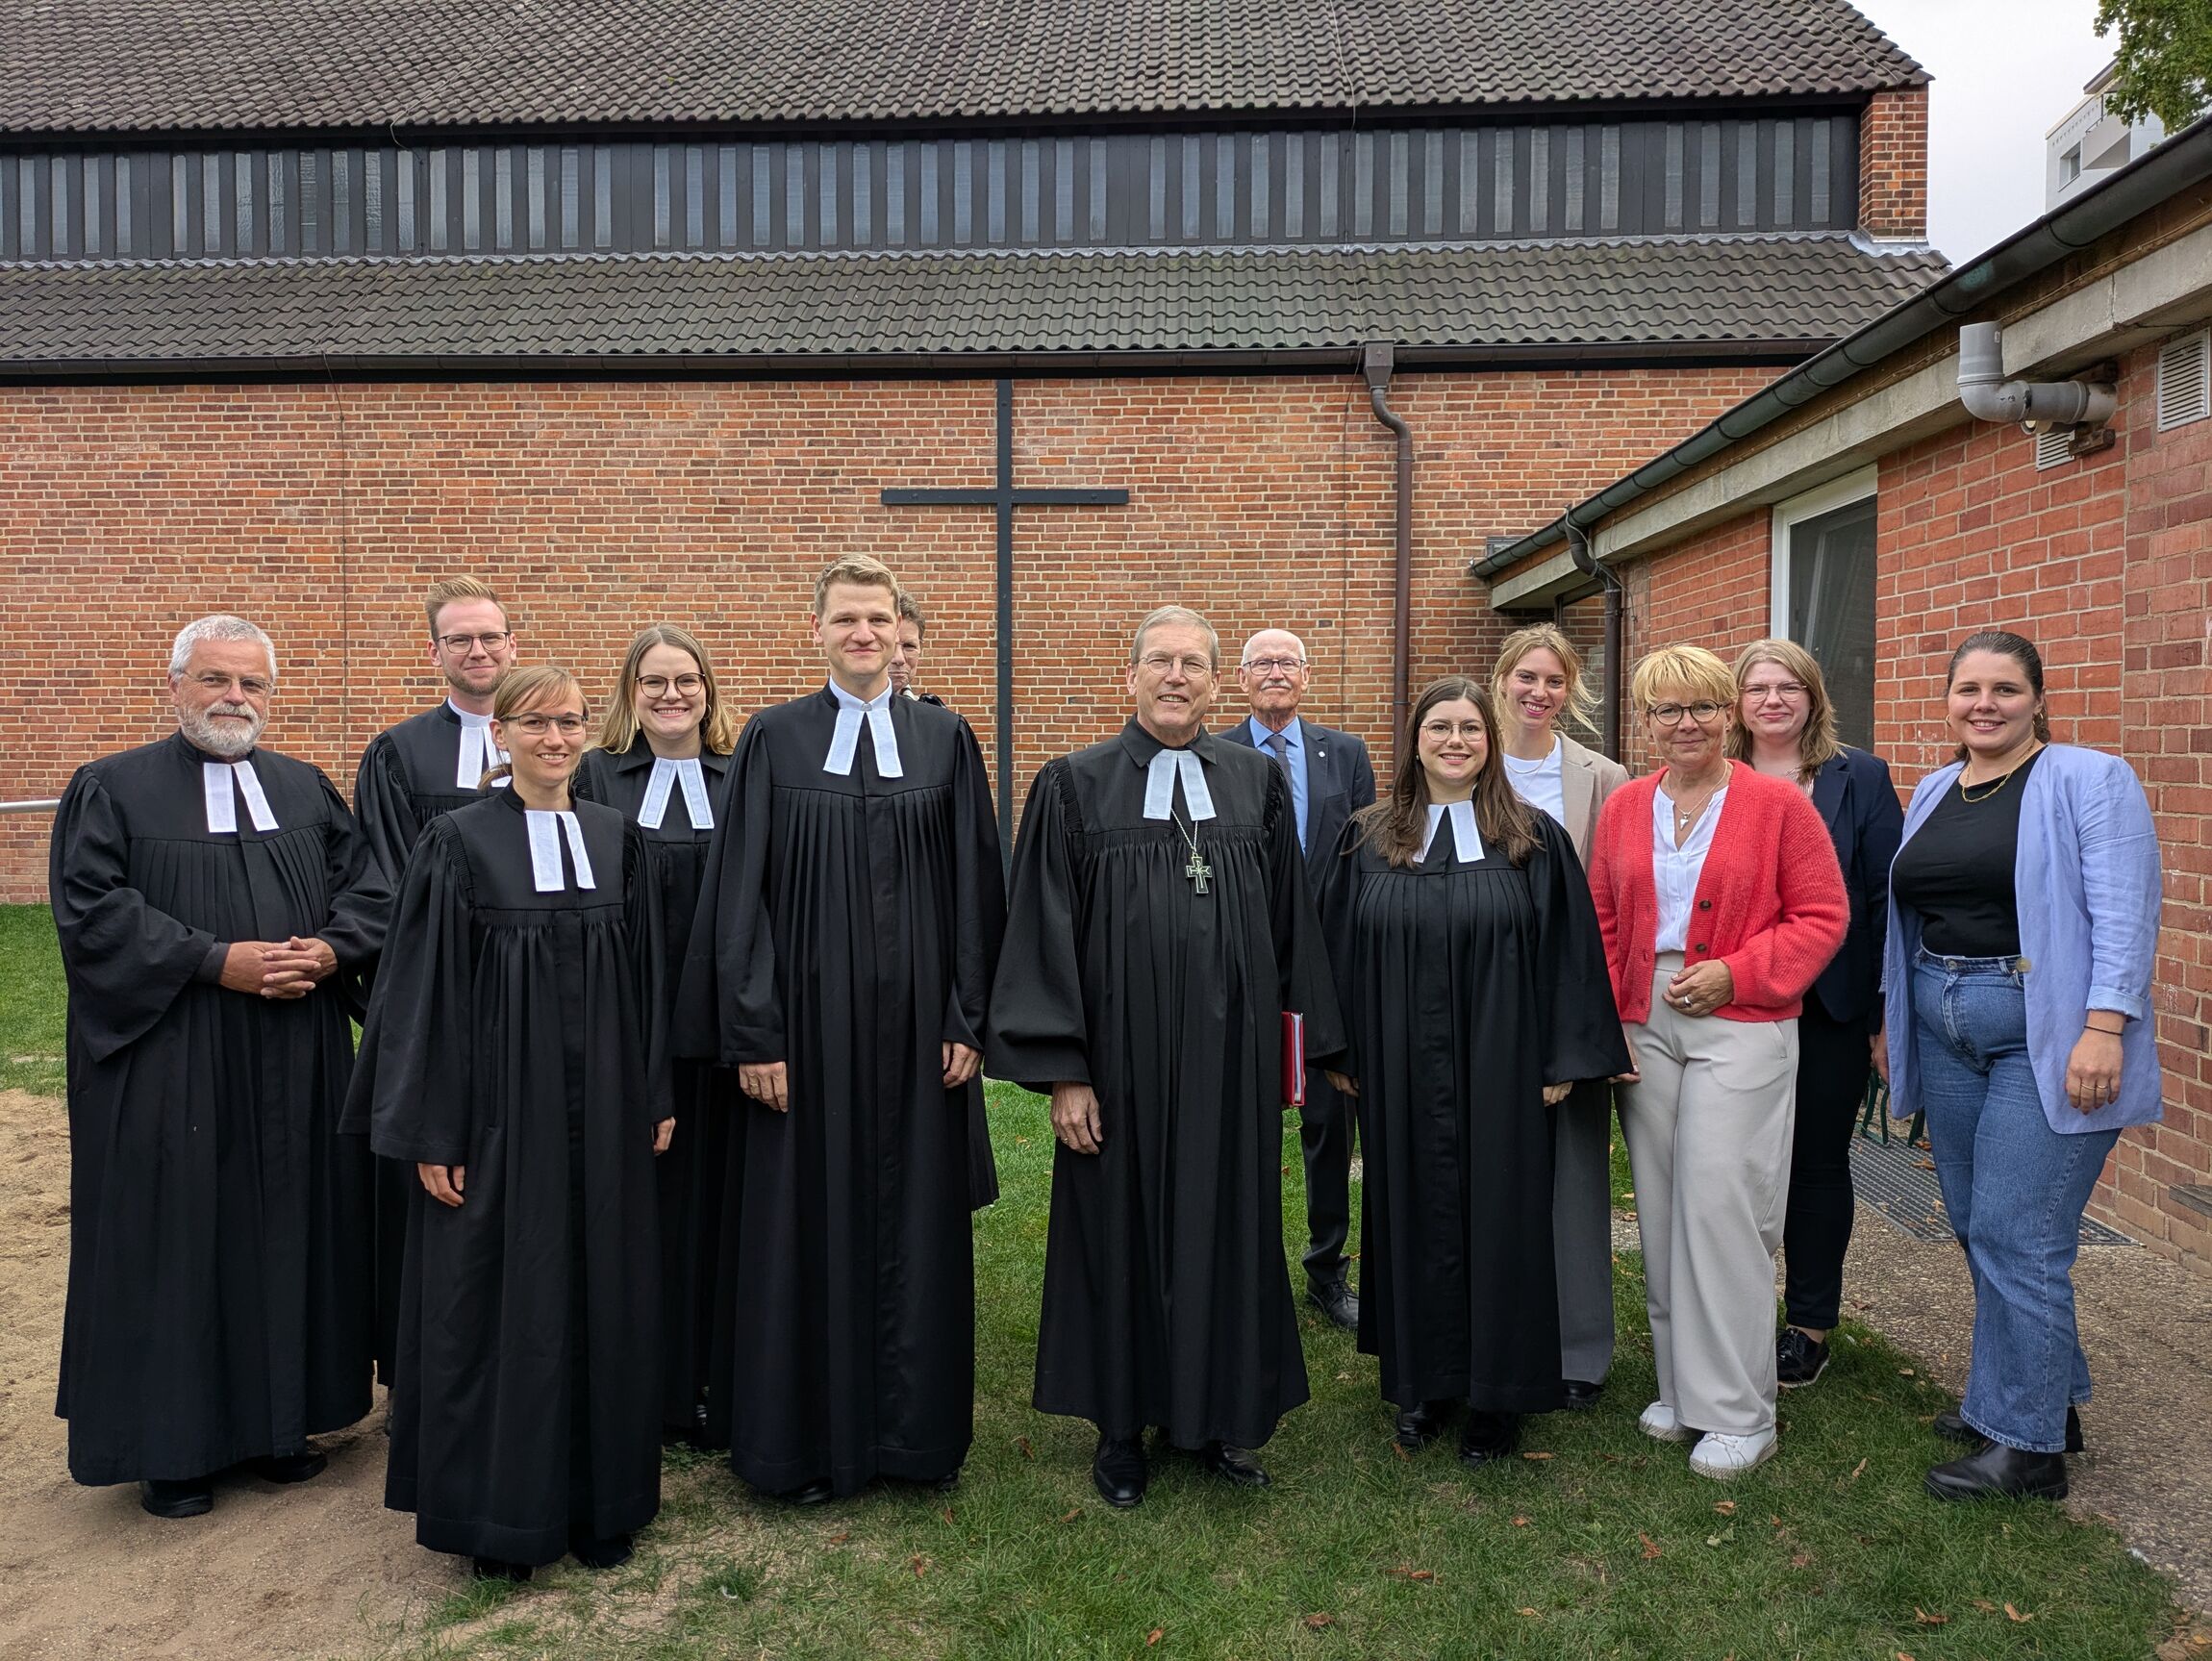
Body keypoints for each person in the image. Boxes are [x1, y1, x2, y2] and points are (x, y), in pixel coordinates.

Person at [986, 605, 1345, 1508]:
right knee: (1122, 1229)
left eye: (1193, 662)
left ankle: (1223, 1418)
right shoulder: (1073, 785)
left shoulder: (1257, 782)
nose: (1176, 676)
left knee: (1229, 1223)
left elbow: (1291, 924)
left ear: (1216, 682)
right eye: (1160, 661)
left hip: (1232, 1059)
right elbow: (1042, 934)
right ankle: (1121, 1428)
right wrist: (1065, 1069)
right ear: (1131, 677)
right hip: (1120, 1063)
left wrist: (1300, 1051)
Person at [676, 556, 1004, 1502]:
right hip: (803, 1039)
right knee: (797, 1230)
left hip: (917, 1045)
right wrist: (753, 1032)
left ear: (897, 629)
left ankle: (915, 1438)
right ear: (814, 627)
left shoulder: (944, 737)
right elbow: (736, 894)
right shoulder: (775, 739)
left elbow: (975, 889)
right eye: (844, 618)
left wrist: (964, 1014)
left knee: (916, 1227)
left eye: (876, 618)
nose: (861, 634)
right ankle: (800, 1445)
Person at [49, 615, 390, 1519]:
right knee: (179, 1236)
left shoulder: (304, 789)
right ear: (175, 686)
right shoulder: (112, 789)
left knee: (289, 1227)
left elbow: (373, 892)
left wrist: (324, 949)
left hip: (294, 1054)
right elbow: (92, 912)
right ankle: (176, 1449)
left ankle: (284, 1427)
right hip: (174, 1055)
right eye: (215, 680)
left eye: (252, 684)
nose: (235, 698)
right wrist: (214, 959)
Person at [346, 665, 671, 1580]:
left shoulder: (617, 838)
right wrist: (434, 1130)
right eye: (536, 723)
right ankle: (499, 1515)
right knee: (495, 1305)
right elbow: (422, 997)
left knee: (603, 1295)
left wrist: (654, 1093)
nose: (556, 739)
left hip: (606, 1116)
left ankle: (603, 1503)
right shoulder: (455, 843)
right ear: (502, 735)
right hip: (495, 1123)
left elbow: (647, 981)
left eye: (570, 722)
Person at [1318, 677, 1625, 1468]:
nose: (1455, 740)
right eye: (1439, 727)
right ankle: (1424, 1383)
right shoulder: (1366, 838)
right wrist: (1342, 1051)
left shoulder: (1531, 838)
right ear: (1414, 740)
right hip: (1398, 1063)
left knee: (1504, 1219)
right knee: (1409, 1207)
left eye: (1470, 729)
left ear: (1489, 744)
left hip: (1505, 1062)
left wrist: (1563, 1055)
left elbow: (1569, 952)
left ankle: (1499, 1393)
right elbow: (1335, 954)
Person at [1884, 630, 2161, 1503]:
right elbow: (1910, 915)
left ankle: (2029, 1450)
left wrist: (2104, 1026)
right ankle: (2038, 1395)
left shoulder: (2090, 778)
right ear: (1949, 699)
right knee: (1974, 1217)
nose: (1985, 703)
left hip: (2044, 1031)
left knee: (2020, 1231)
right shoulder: (1934, 787)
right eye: (1968, 687)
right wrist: (1895, 1023)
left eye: (2006, 688)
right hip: (1946, 1022)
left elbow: (2128, 909)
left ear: (2037, 698)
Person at [1588, 645, 1847, 1479]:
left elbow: (1821, 914)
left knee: (1721, 1206)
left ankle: (1740, 1408)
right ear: (1647, 720)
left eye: (1702, 706)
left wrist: (1738, 969)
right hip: (1645, 1016)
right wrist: (1613, 1021)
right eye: (1667, 709)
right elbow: (1603, 918)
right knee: (1662, 1208)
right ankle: (1681, 1389)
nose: (1686, 722)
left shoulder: (1776, 805)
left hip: (1742, 1016)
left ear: (1728, 715)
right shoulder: (1628, 805)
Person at [575, 625, 742, 1447]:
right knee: (640, 1209)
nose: (672, 695)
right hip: (627, 1027)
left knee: (718, 1208)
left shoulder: (741, 775)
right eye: (654, 682)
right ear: (628, 692)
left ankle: (713, 1378)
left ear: (709, 691)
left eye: (687, 681)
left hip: (720, 1030)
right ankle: (639, 1382)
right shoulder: (594, 775)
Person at [351, 575, 519, 1382]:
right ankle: (425, 1363)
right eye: (460, 639)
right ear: (436, 653)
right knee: (434, 1183)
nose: (478, 650)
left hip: (530, 1006)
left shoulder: (552, 742)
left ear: (512, 644)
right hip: (440, 1007)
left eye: (490, 636)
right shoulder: (398, 754)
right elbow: (383, 884)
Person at [1728, 639, 1903, 1391]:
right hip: (1737, 1003)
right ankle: (1733, 1314)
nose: (1773, 700)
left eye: (1788, 686)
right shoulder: (1717, 775)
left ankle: (1808, 1324)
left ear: (1814, 696)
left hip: (1831, 1007)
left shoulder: (1856, 776)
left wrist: (1882, 1015)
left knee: (1816, 1164)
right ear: (1737, 702)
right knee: (1733, 1163)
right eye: (1758, 687)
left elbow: (1883, 897)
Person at [1218, 627, 1376, 1332]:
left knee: (1328, 1124)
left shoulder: (1345, 754)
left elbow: (1366, 858)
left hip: (1329, 970)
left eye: (1287, 663)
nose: (1275, 673)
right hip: (1241, 962)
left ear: (1306, 677)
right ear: (1241, 680)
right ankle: (1240, 1266)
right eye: (1262, 664)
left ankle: (1326, 1266)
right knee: (1236, 1119)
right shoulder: (1214, 755)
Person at [1491, 622, 1630, 1409]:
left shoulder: (1602, 778)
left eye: (1554, 680)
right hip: (1481, 990)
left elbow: (1612, 897)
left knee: (1576, 1176)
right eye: (1526, 677)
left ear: (1569, 690)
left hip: (1568, 994)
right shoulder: (1467, 756)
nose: (1538, 692)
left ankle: (1579, 1352)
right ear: (1503, 678)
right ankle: (1500, 1328)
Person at [890, 591, 947, 707]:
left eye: (909, 646)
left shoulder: (935, 718)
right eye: (889, 645)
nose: (899, 659)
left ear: (921, 648)